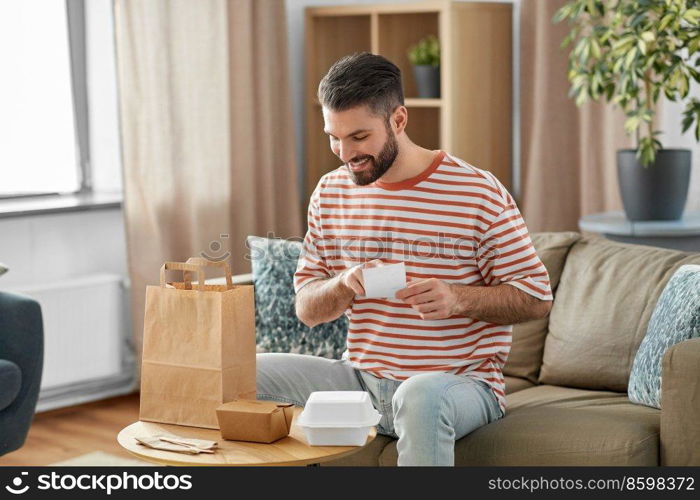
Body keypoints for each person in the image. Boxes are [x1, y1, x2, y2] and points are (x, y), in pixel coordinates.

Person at [256, 52, 553, 466]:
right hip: (361, 380)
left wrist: (458, 298)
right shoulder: (329, 193)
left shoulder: (476, 192)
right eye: (333, 136)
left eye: (359, 137)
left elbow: (536, 298)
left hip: (458, 384)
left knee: (418, 394)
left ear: (398, 120)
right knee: (244, 372)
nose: (344, 153)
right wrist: (343, 283)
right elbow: (306, 309)